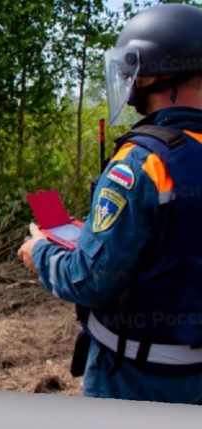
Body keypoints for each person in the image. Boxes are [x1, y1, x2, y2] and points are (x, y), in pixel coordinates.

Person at [17, 4, 202, 403]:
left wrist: (42, 251)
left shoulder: (142, 163)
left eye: (130, 69)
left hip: (139, 379)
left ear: (151, 72)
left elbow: (90, 279)